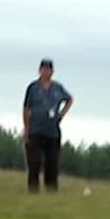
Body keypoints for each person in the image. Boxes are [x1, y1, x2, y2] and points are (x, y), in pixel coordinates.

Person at [22, 58, 73, 193]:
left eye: (49, 69)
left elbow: (69, 99)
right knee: (34, 162)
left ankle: (51, 191)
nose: (46, 72)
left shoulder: (58, 88)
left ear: (52, 71)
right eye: (44, 69)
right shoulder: (33, 88)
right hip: (35, 130)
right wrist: (26, 128)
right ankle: (33, 190)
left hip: (52, 131)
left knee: (53, 163)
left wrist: (61, 114)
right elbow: (26, 109)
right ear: (40, 70)